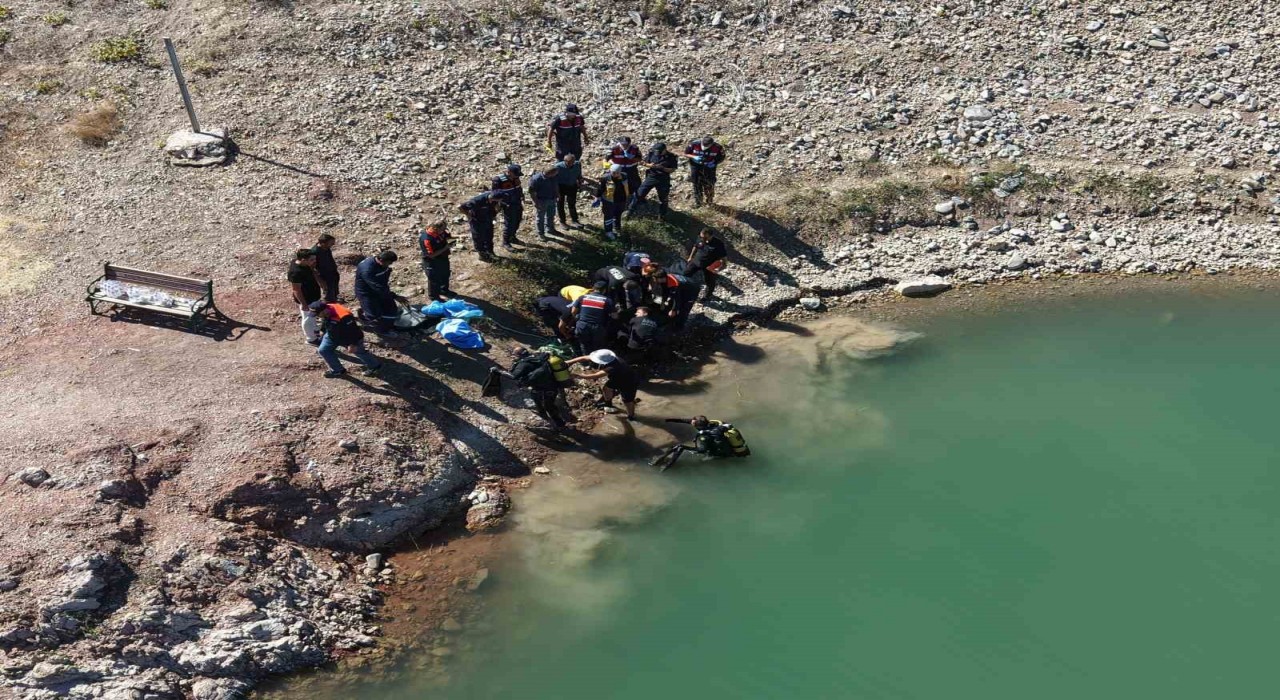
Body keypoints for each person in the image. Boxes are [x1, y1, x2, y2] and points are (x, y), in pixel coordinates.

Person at [310, 300, 383, 378]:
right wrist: (323, 331)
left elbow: (353, 330)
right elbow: (326, 320)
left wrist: (353, 344)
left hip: (349, 338)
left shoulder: (344, 316)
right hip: (333, 335)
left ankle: (375, 366)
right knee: (323, 350)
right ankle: (338, 370)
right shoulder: (327, 308)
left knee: (360, 352)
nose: (317, 316)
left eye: (317, 314)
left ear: (323, 310)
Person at [651, 415, 750, 470]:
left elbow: (703, 449)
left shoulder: (706, 435)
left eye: (694, 424)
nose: (691, 423)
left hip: (716, 452)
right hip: (723, 448)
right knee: (678, 447)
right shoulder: (714, 424)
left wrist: (698, 451)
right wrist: (668, 420)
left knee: (679, 447)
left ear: (699, 426)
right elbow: (686, 420)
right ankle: (661, 461)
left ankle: (666, 466)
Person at [510, 347, 572, 429]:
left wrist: (500, 371)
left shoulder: (523, 364)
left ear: (519, 355)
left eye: (514, 355)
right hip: (554, 385)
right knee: (544, 402)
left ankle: (559, 424)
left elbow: (513, 376)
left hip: (543, 389)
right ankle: (552, 418)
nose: (513, 357)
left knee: (548, 406)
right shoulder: (540, 356)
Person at [568, 349, 639, 419]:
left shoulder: (612, 367)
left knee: (627, 401)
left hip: (629, 381)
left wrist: (578, 376)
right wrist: (569, 362)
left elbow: (596, 375)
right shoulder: (609, 357)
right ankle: (608, 405)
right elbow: (584, 357)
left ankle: (631, 416)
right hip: (616, 378)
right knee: (606, 389)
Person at [354, 250, 406, 336]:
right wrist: (395, 296)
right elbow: (377, 287)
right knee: (375, 315)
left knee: (391, 310)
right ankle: (380, 331)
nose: (389, 265)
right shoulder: (367, 269)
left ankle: (365, 314)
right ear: (381, 260)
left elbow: (382, 283)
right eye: (389, 263)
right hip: (367, 293)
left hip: (380, 291)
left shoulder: (382, 265)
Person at [644, 263, 701, 329]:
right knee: (671, 302)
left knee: (684, 308)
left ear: (661, 278)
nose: (654, 280)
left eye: (655, 279)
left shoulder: (674, 285)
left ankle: (679, 326)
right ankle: (671, 316)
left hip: (691, 291)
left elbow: (677, 299)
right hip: (682, 287)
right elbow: (665, 291)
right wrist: (663, 301)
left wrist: (674, 310)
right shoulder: (665, 277)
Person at [628, 142, 679, 217]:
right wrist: (650, 165)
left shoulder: (671, 157)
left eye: (659, 152)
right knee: (639, 194)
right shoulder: (652, 153)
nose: (657, 153)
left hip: (663, 179)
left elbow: (672, 169)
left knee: (663, 199)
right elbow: (643, 162)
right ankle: (630, 211)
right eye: (656, 152)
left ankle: (662, 216)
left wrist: (663, 168)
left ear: (664, 150)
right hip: (651, 177)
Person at [570, 281, 616, 354]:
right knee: (598, 346)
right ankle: (597, 362)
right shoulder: (607, 300)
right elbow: (614, 316)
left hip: (582, 325)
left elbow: (573, 311)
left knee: (584, 345)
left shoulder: (582, 297)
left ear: (593, 288)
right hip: (597, 327)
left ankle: (587, 363)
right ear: (604, 290)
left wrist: (578, 319)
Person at [288, 249, 323, 345]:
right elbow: (296, 290)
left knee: (312, 317)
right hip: (307, 300)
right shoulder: (295, 272)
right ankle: (311, 339)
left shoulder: (304, 264)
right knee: (308, 319)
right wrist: (304, 304)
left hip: (313, 296)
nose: (314, 261)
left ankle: (315, 332)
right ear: (303, 259)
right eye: (311, 259)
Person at [681, 135, 726, 207]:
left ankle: (709, 201)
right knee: (696, 184)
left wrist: (714, 162)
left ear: (711, 144)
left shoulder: (718, 147)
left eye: (707, 146)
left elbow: (722, 157)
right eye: (703, 145)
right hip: (696, 167)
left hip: (709, 168)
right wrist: (694, 157)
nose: (704, 147)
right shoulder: (694, 144)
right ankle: (698, 203)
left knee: (709, 184)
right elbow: (686, 153)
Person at [684, 228, 728, 301]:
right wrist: (691, 257)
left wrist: (720, 268)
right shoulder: (701, 238)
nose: (702, 238)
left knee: (710, 282)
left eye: (705, 237)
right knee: (685, 274)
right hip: (696, 261)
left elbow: (724, 258)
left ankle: (707, 296)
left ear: (711, 236)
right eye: (701, 237)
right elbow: (695, 246)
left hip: (708, 266)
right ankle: (684, 291)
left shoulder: (718, 244)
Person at [459, 191, 502, 261]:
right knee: (478, 238)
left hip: (487, 219)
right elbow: (460, 207)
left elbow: (494, 207)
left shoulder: (495, 197)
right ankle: (482, 256)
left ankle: (490, 252)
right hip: (477, 221)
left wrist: (494, 215)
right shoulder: (477, 201)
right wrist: (468, 215)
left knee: (489, 236)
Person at [418, 222, 452, 301]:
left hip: (443, 258)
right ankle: (434, 297)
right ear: (436, 229)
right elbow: (431, 255)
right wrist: (445, 248)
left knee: (445, 274)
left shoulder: (441, 232)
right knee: (434, 279)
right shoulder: (426, 238)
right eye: (443, 229)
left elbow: (448, 237)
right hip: (432, 261)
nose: (444, 230)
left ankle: (444, 291)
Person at [492, 164, 524, 248]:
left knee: (518, 220)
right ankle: (505, 242)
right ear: (509, 172)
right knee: (510, 223)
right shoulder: (498, 179)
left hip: (517, 202)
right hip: (507, 205)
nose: (517, 176)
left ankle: (512, 237)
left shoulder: (516, 177)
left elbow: (519, 188)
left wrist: (521, 196)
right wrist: (498, 205)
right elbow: (495, 194)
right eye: (515, 174)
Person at [595, 165, 630, 240]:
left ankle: (617, 228)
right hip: (609, 201)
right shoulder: (605, 178)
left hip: (621, 200)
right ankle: (608, 231)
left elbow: (627, 187)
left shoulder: (624, 176)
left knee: (618, 214)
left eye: (617, 173)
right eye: (613, 173)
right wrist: (597, 197)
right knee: (608, 216)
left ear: (620, 172)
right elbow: (601, 188)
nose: (615, 174)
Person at [528, 166, 561, 240]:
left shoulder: (554, 177)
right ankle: (541, 234)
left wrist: (557, 194)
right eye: (555, 173)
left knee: (551, 215)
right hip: (541, 200)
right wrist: (535, 202)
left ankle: (550, 229)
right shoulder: (536, 179)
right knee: (540, 218)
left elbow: (556, 185)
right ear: (550, 173)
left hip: (552, 198)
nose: (556, 174)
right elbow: (531, 192)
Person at [555, 153, 587, 228]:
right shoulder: (558, 166)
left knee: (572, 204)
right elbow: (554, 179)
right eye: (569, 163)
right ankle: (562, 222)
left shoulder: (577, 164)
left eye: (572, 162)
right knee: (560, 205)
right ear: (564, 161)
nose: (571, 164)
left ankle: (575, 220)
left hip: (572, 186)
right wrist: (556, 191)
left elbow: (579, 174)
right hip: (561, 187)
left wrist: (580, 181)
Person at [311, 234, 340, 302]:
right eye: (331, 243)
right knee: (328, 294)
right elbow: (312, 269)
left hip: (332, 273)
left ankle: (334, 299)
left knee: (334, 291)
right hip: (324, 276)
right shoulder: (314, 252)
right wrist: (320, 281)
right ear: (323, 243)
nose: (333, 244)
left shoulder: (326, 248)